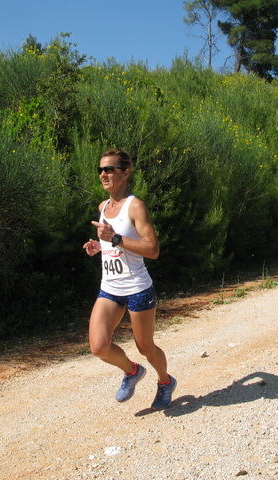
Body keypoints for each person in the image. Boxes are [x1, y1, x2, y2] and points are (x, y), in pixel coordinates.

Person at [83, 149, 176, 410]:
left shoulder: (135, 206)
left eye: (109, 169)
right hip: (110, 288)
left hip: (137, 288)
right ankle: (132, 371)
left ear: (126, 172)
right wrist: (99, 247)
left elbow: (152, 250)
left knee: (145, 347)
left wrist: (113, 238)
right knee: (98, 346)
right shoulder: (103, 207)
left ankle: (165, 381)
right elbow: (114, 244)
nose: (103, 174)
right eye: (100, 170)